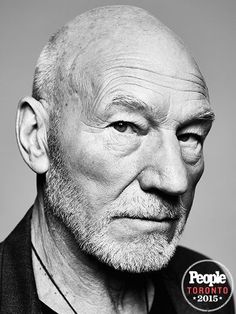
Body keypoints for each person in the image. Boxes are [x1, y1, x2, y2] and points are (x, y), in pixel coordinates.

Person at [0, 5, 234, 314]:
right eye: (124, 127)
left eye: (189, 136)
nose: (175, 179)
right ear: (37, 136)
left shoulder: (207, 291)